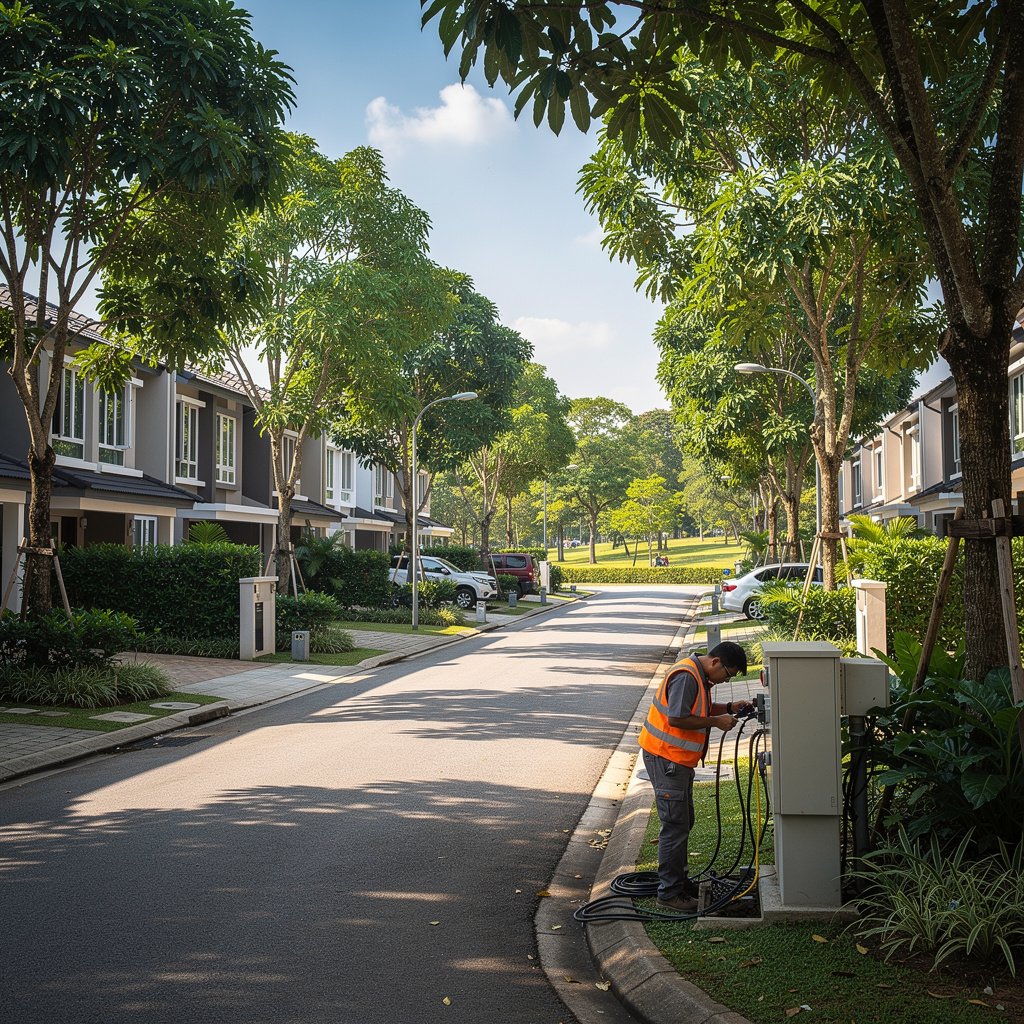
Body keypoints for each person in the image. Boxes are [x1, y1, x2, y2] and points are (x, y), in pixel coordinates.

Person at [638, 640, 752, 913]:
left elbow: (696, 709)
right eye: (728, 674)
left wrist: (728, 707)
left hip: (676, 761)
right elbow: (678, 718)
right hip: (667, 758)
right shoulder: (687, 677)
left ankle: (679, 883)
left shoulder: (698, 675)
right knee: (675, 826)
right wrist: (716, 722)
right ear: (715, 662)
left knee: (683, 822)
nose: (725, 680)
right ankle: (669, 894)